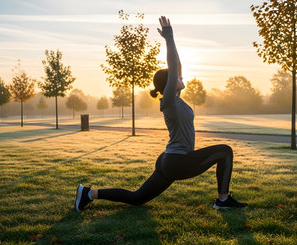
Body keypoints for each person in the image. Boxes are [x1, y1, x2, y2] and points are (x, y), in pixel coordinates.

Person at [75, 16, 247, 211]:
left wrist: (172, 42)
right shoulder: (170, 102)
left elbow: (177, 67)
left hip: (169, 160)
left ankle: (88, 193)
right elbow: (173, 67)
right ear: (169, 83)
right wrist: (169, 37)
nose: (181, 77)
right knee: (225, 152)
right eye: (176, 78)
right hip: (177, 161)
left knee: (137, 197)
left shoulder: (176, 99)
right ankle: (223, 200)